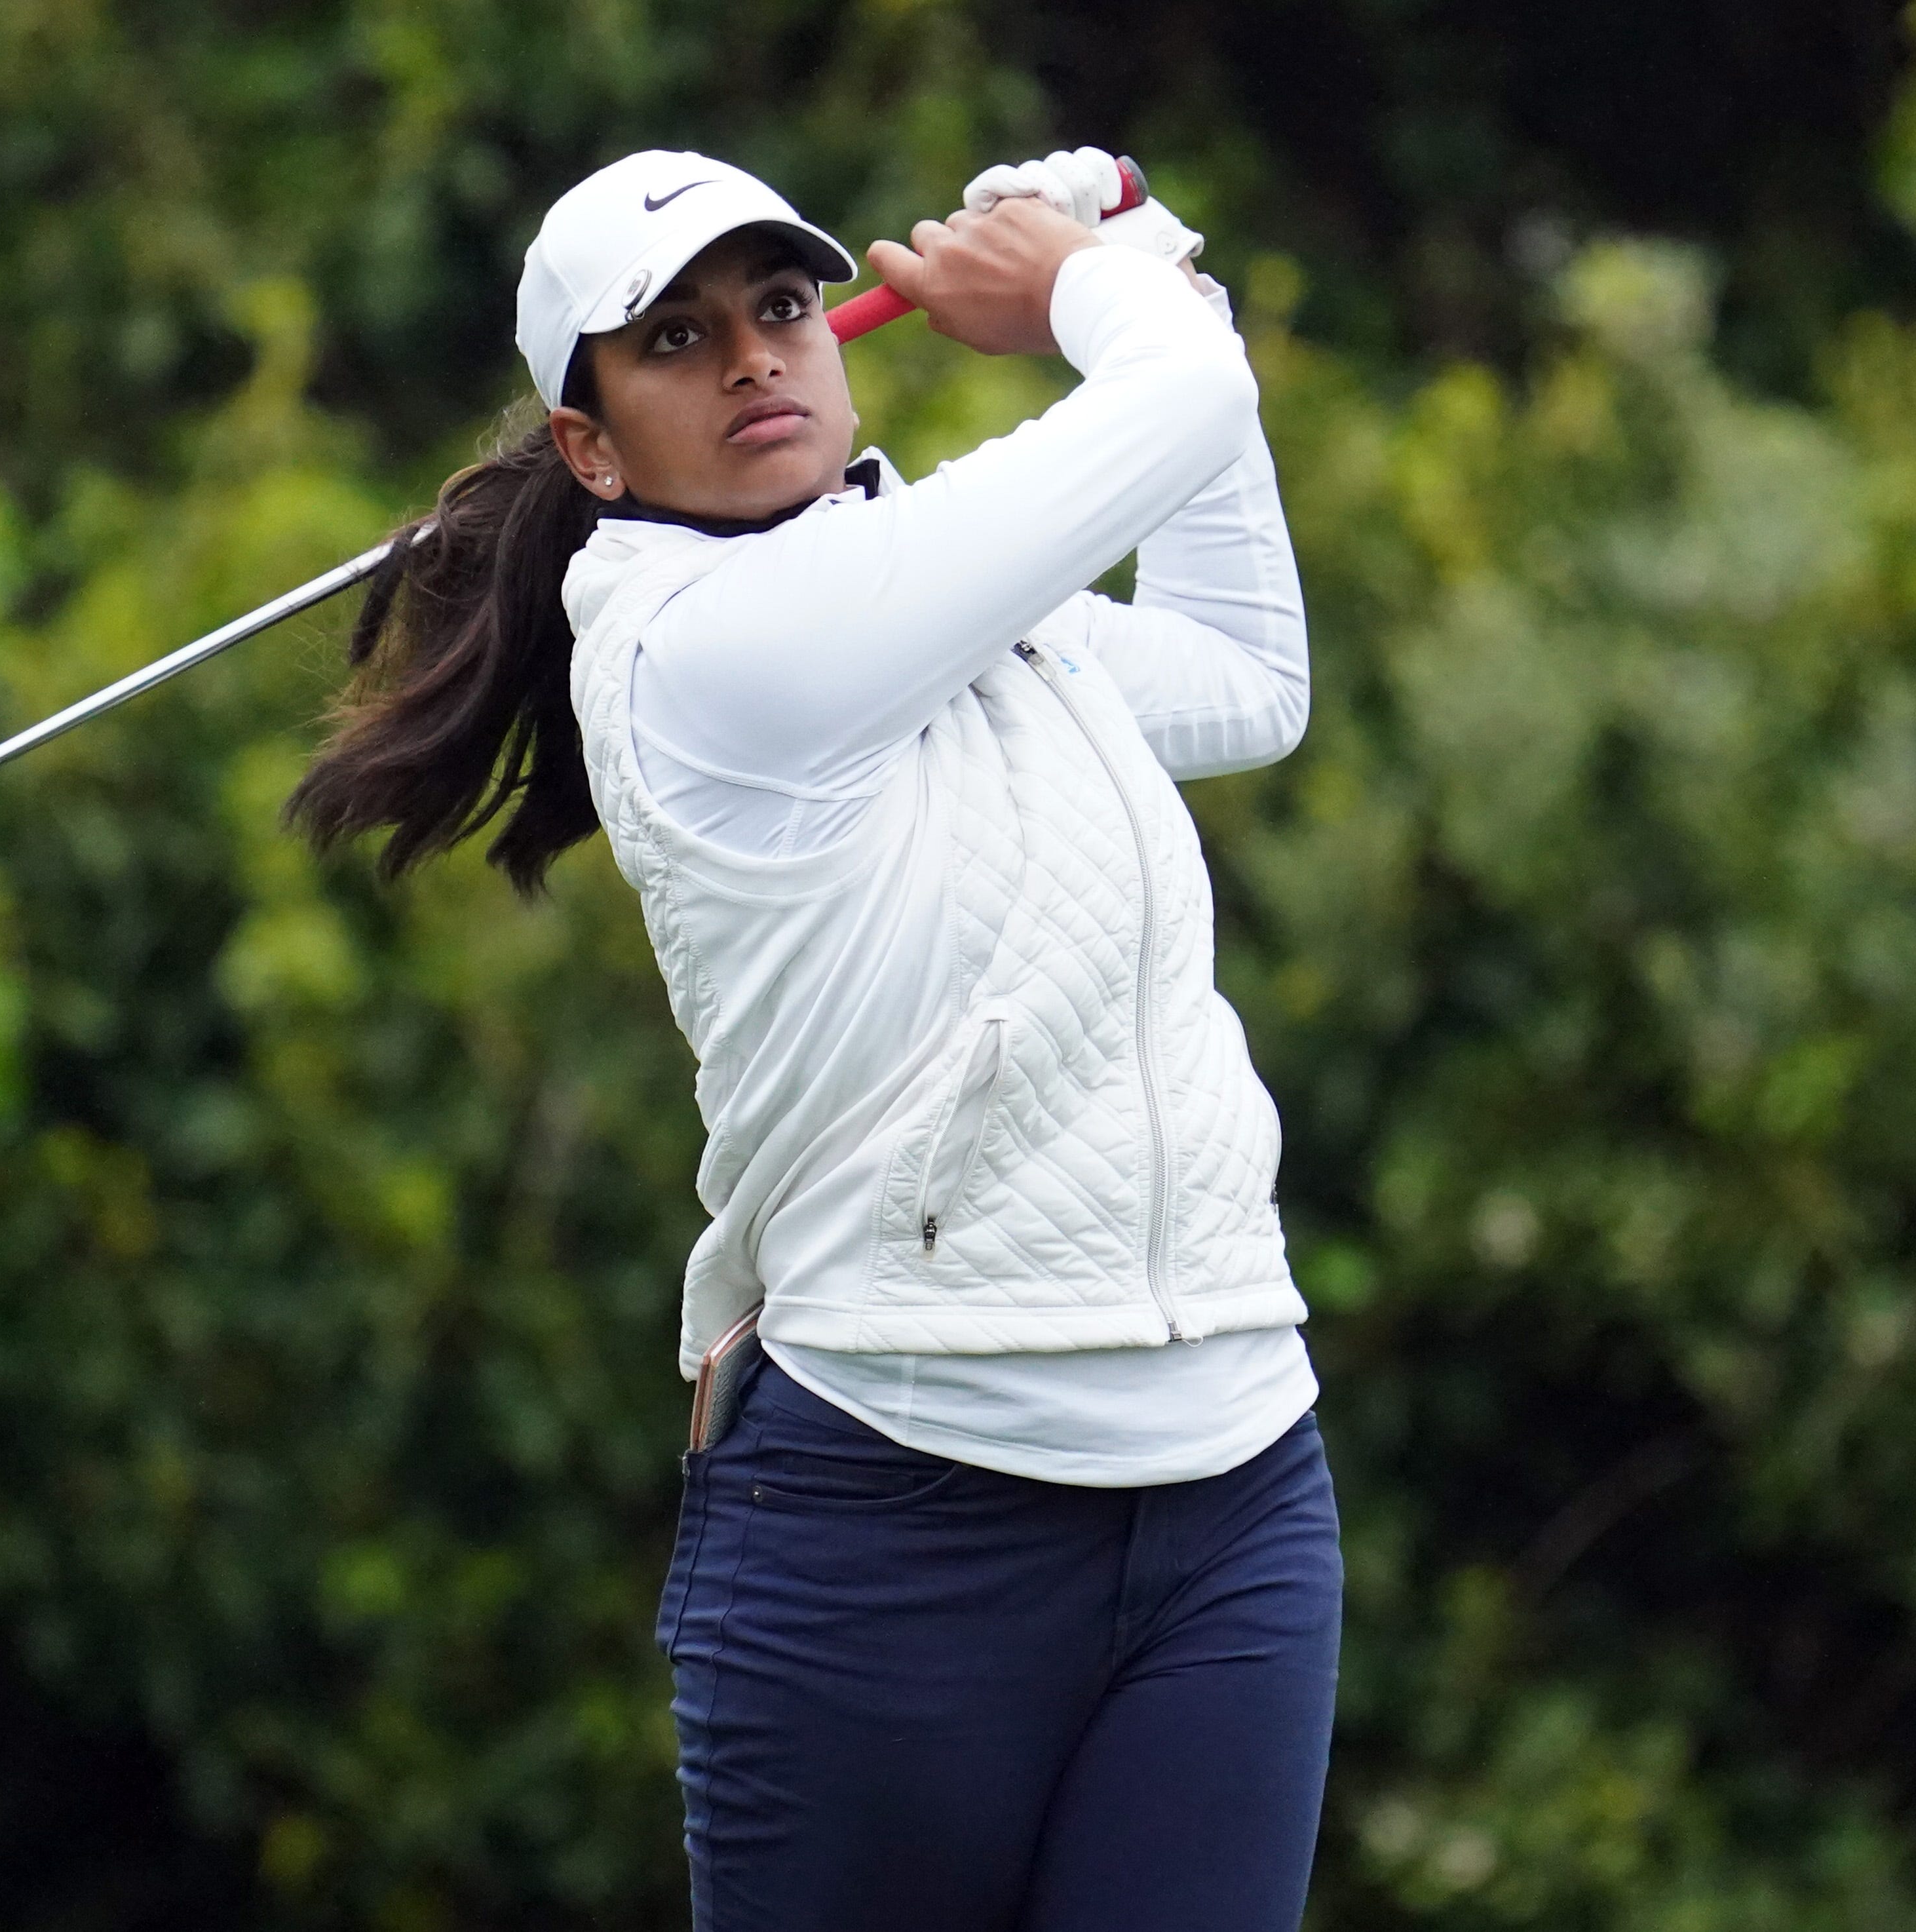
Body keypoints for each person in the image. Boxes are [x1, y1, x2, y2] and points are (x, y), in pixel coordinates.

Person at [289, 144, 1336, 1932]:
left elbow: (1247, 681)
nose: (755, 357)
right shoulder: (713, 649)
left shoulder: (961, 612)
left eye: (781, 304)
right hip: (902, 1519)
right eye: (676, 339)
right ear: (590, 448)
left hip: (1236, 1477)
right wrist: (1084, 281)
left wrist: (1152, 261)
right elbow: (1180, 398)